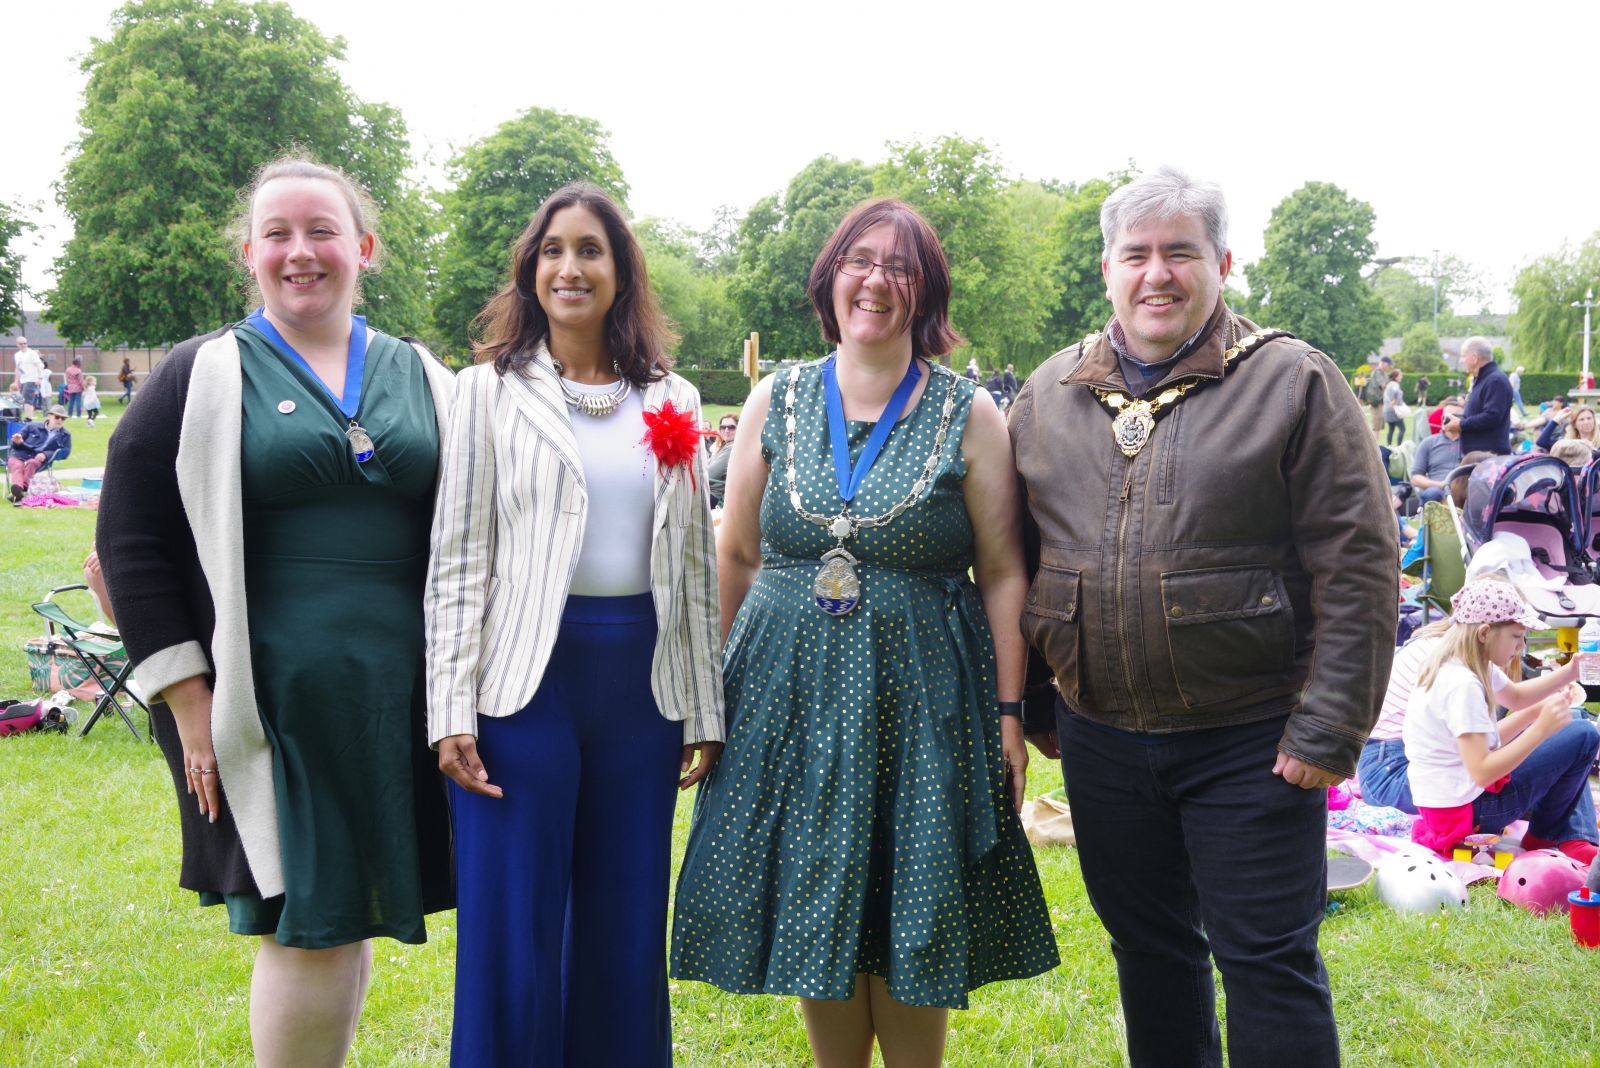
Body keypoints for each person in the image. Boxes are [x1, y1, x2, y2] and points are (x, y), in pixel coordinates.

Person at [1010, 166, 1395, 1068]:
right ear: (1106, 268)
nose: (1157, 274)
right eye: (1136, 254)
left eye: (1180, 252)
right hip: (1101, 738)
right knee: (1151, 955)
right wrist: (1033, 710)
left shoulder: (1295, 381)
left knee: (1266, 961)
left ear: (1221, 263)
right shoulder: (1048, 394)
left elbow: (1361, 564)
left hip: (1253, 742)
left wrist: (1328, 727)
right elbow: (1018, 562)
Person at [672, 198, 1058, 1066]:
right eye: (860, 260)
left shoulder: (970, 413)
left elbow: (1001, 570)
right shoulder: (778, 397)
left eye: (900, 267)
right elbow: (734, 553)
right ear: (830, 277)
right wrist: (711, 699)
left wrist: (1006, 711)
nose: (876, 281)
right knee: (817, 891)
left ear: (925, 293)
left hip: (917, 698)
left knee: (908, 903)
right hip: (786, 691)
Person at [96, 155, 455, 1067]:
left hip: (402, 694)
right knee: (307, 919)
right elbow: (129, 543)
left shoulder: (425, 376)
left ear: (364, 248)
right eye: (278, 235)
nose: (302, 252)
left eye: (322, 231)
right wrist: (192, 710)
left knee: (348, 912)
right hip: (269, 702)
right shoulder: (201, 374)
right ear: (250, 255)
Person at [426, 181, 722, 1067]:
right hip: (523, 686)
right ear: (530, 270)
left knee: (625, 923)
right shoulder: (484, 394)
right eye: (553, 250)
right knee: (513, 930)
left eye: (590, 250)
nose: (570, 267)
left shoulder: (675, 398)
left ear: (621, 272)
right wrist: (449, 707)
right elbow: (456, 559)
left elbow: (693, 570)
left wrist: (704, 709)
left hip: (640, 688)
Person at [1404, 580, 1599, 864]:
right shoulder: (1463, 685)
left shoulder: (1464, 664)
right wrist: (1542, 729)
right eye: (1516, 636)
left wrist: (1571, 673)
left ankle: (1553, 836)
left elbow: (1517, 698)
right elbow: (1482, 771)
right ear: (1485, 633)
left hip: (1450, 811)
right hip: (1470, 814)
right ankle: (1547, 836)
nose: (1521, 647)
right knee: (1582, 734)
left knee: (1571, 730)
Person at [1449, 336, 1512, 455]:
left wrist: (1461, 424)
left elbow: (1492, 416)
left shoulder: (1495, 380)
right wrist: (1458, 420)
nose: (1461, 361)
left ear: (1474, 358)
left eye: (1463, 356)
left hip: (1489, 460)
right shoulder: (1483, 379)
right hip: (1478, 458)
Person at [7, 404, 71, 503]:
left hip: (38, 459)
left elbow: (65, 452)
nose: (60, 420)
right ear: (49, 415)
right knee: (17, 466)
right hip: (19, 454)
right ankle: (20, 490)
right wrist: (16, 441)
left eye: (63, 419)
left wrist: (46, 454)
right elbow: (15, 444)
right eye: (57, 417)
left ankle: (18, 491)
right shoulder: (32, 426)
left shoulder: (65, 434)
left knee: (32, 463)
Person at [1409, 401, 1464, 505]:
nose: (1451, 419)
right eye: (1447, 416)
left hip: (1463, 490)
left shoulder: (1472, 444)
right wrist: (1441, 484)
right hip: (1438, 490)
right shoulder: (1429, 443)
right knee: (1431, 494)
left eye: (1457, 416)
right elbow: (1415, 477)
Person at [706, 411, 738, 508]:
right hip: (709, 491)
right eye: (723, 427)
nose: (726, 430)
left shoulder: (732, 448)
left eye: (731, 427)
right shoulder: (724, 445)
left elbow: (710, 474)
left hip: (714, 496)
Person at [13, 335, 45, 412]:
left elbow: (39, 366)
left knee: (26, 398)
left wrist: (39, 378)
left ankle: (29, 418)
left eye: (25, 343)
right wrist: (16, 381)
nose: (23, 345)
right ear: (17, 344)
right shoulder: (17, 355)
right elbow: (17, 368)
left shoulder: (31, 353)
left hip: (31, 379)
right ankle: (24, 417)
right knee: (21, 399)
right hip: (23, 379)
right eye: (21, 344)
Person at [1363, 354, 1392, 433]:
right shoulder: (1378, 372)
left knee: (1378, 426)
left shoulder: (1382, 373)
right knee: (1376, 426)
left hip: (1379, 401)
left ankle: (1375, 444)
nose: (1389, 367)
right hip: (1376, 401)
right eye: (1388, 365)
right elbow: (1383, 386)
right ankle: (1373, 445)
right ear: (1383, 363)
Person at [1382, 368, 1406, 445]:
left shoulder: (1389, 384)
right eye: (1400, 375)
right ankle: (1399, 447)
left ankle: (1389, 446)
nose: (1402, 376)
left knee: (1391, 429)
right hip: (1393, 411)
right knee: (1402, 429)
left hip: (1387, 411)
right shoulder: (1394, 385)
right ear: (1396, 377)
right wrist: (1396, 402)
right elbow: (1395, 395)